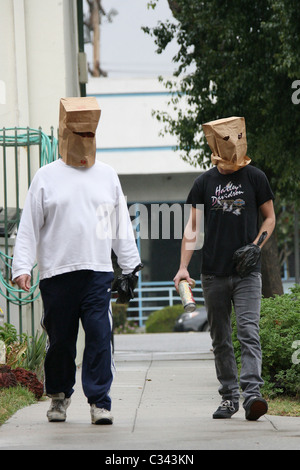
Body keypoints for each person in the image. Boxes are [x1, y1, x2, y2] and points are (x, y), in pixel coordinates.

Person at [12, 97, 141, 425]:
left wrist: (130, 267)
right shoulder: (45, 177)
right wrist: (22, 266)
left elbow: (120, 225)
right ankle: (59, 395)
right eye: (79, 134)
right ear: (64, 135)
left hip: (97, 272)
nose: (85, 141)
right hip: (57, 273)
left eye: (90, 135)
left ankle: (100, 401)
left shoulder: (107, 175)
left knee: (99, 336)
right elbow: (29, 226)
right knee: (61, 342)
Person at [174, 116, 275, 421]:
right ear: (217, 146)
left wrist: (256, 246)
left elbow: (269, 218)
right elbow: (192, 228)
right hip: (213, 273)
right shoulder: (204, 183)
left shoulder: (255, 177)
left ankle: (253, 395)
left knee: (248, 331)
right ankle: (229, 397)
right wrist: (182, 268)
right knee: (220, 337)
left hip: (247, 273)